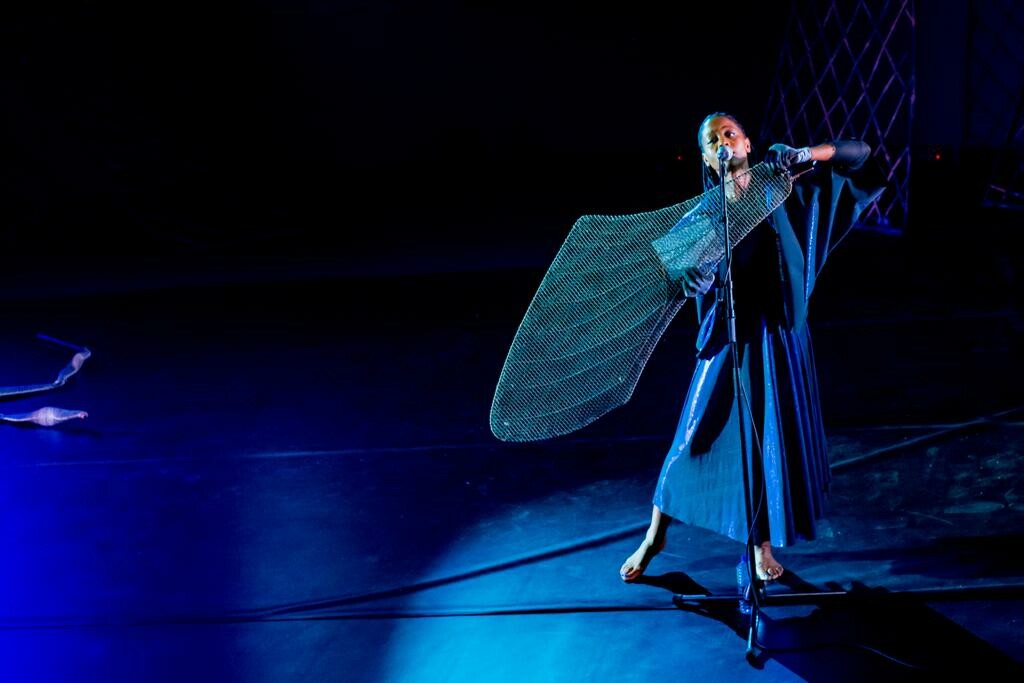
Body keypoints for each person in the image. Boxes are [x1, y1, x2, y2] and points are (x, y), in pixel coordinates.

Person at [619, 113, 882, 583]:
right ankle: (655, 535)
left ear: (746, 143)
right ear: (706, 158)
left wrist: (806, 154)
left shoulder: (777, 185)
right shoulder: (703, 216)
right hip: (730, 341)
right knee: (694, 434)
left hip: (777, 337)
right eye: (713, 139)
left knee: (769, 440)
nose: (724, 141)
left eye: (730, 133)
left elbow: (859, 155)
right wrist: (688, 277)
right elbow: (676, 274)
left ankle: (760, 547)